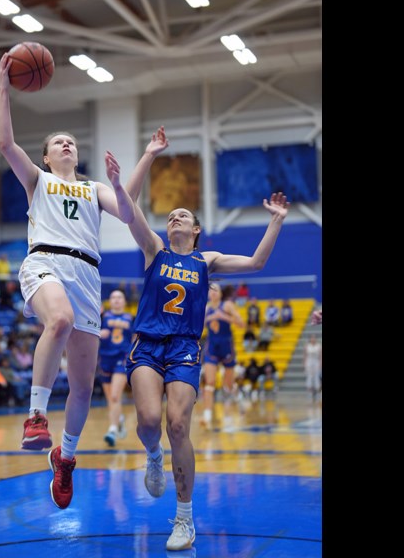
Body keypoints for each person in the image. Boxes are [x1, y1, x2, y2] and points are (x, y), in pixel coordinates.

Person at [120, 126, 290, 551]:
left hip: (183, 349)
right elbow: (127, 205)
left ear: (196, 230)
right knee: (146, 423)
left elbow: (256, 262)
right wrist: (150, 154)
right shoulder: (153, 250)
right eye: (171, 214)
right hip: (148, 344)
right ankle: (153, 457)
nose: (174, 216)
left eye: (183, 215)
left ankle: (183, 518)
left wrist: (276, 221)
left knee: (178, 424)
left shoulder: (206, 259)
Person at [0, 53, 136, 509]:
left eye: (72, 141)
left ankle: (67, 458)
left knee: (81, 385)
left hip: (87, 275)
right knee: (57, 321)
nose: (67, 145)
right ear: (46, 155)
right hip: (45, 264)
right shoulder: (36, 180)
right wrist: (4, 85)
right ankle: (35, 416)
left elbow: (129, 212)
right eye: (59, 141)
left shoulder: (94, 188)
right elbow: (4, 144)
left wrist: (134, 169)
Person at [200, 282, 244, 425]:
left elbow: (242, 324)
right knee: (210, 383)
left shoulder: (227, 306)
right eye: (210, 290)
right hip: (212, 347)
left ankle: (237, 395)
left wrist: (224, 317)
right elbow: (199, 329)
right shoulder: (205, 309)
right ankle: (206, 417)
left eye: (216, 290)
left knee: (228, 385)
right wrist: (208, 319)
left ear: (220, 293)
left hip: (227, 347)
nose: (213, 292)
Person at [98, 289, 134, 447]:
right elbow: (91, 331)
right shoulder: (103, 316)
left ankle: (112, 430)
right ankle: (119, 420)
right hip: (105, 358)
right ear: (109, 301)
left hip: (122, 358)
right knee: (110, 399)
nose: (117, 300)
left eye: (120, 297)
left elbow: (136, 338)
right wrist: (99, 333)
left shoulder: (131, 318)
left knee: (115, 396)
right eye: (113, 297)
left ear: (125, 301)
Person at [305, 334, 322, 402]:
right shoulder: (307, 346)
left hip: (316, 362)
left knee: (317, 377)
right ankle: (310, 394)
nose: (313, 339)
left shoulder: (319, 346)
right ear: (310, 339)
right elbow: (305, 356)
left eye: (314, 338)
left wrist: (320, 364)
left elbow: (320, 356)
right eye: (312, 338)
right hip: (309, 362)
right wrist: (305, 364)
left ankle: (318, 394)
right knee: (309, 377)